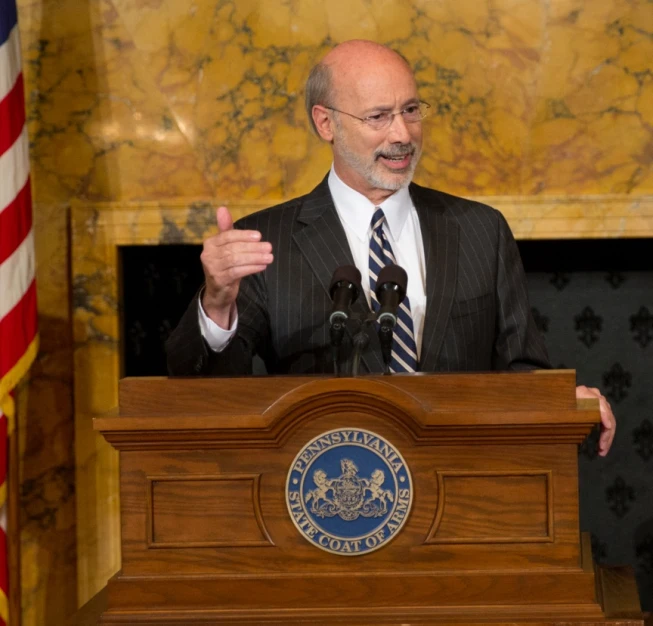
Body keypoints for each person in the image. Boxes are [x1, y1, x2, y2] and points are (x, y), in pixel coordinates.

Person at [165, 40, 616, 456]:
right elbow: (207, 395)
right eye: (378, 117)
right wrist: (217, 306)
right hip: (327, 499)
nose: (402, 134)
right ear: (326, 123)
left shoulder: (481, 229)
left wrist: (561, 401)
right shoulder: (266, 242)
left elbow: (521, 371)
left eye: (411, 110)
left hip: (461, 486)